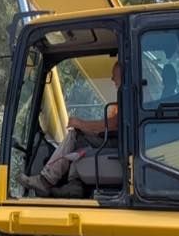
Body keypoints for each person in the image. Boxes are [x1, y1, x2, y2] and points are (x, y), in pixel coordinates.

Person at [16, 60, 123, 197]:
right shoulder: (128, 95)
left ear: (123, 73)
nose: (112, 78)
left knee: (75, 135)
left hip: (118, 143)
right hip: (117, 140)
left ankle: (45, 180)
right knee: (80, 138)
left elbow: (114, 124)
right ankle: (75, 186)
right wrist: (85, 128)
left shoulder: (127, 94)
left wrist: (81, 124)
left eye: (114, 74)